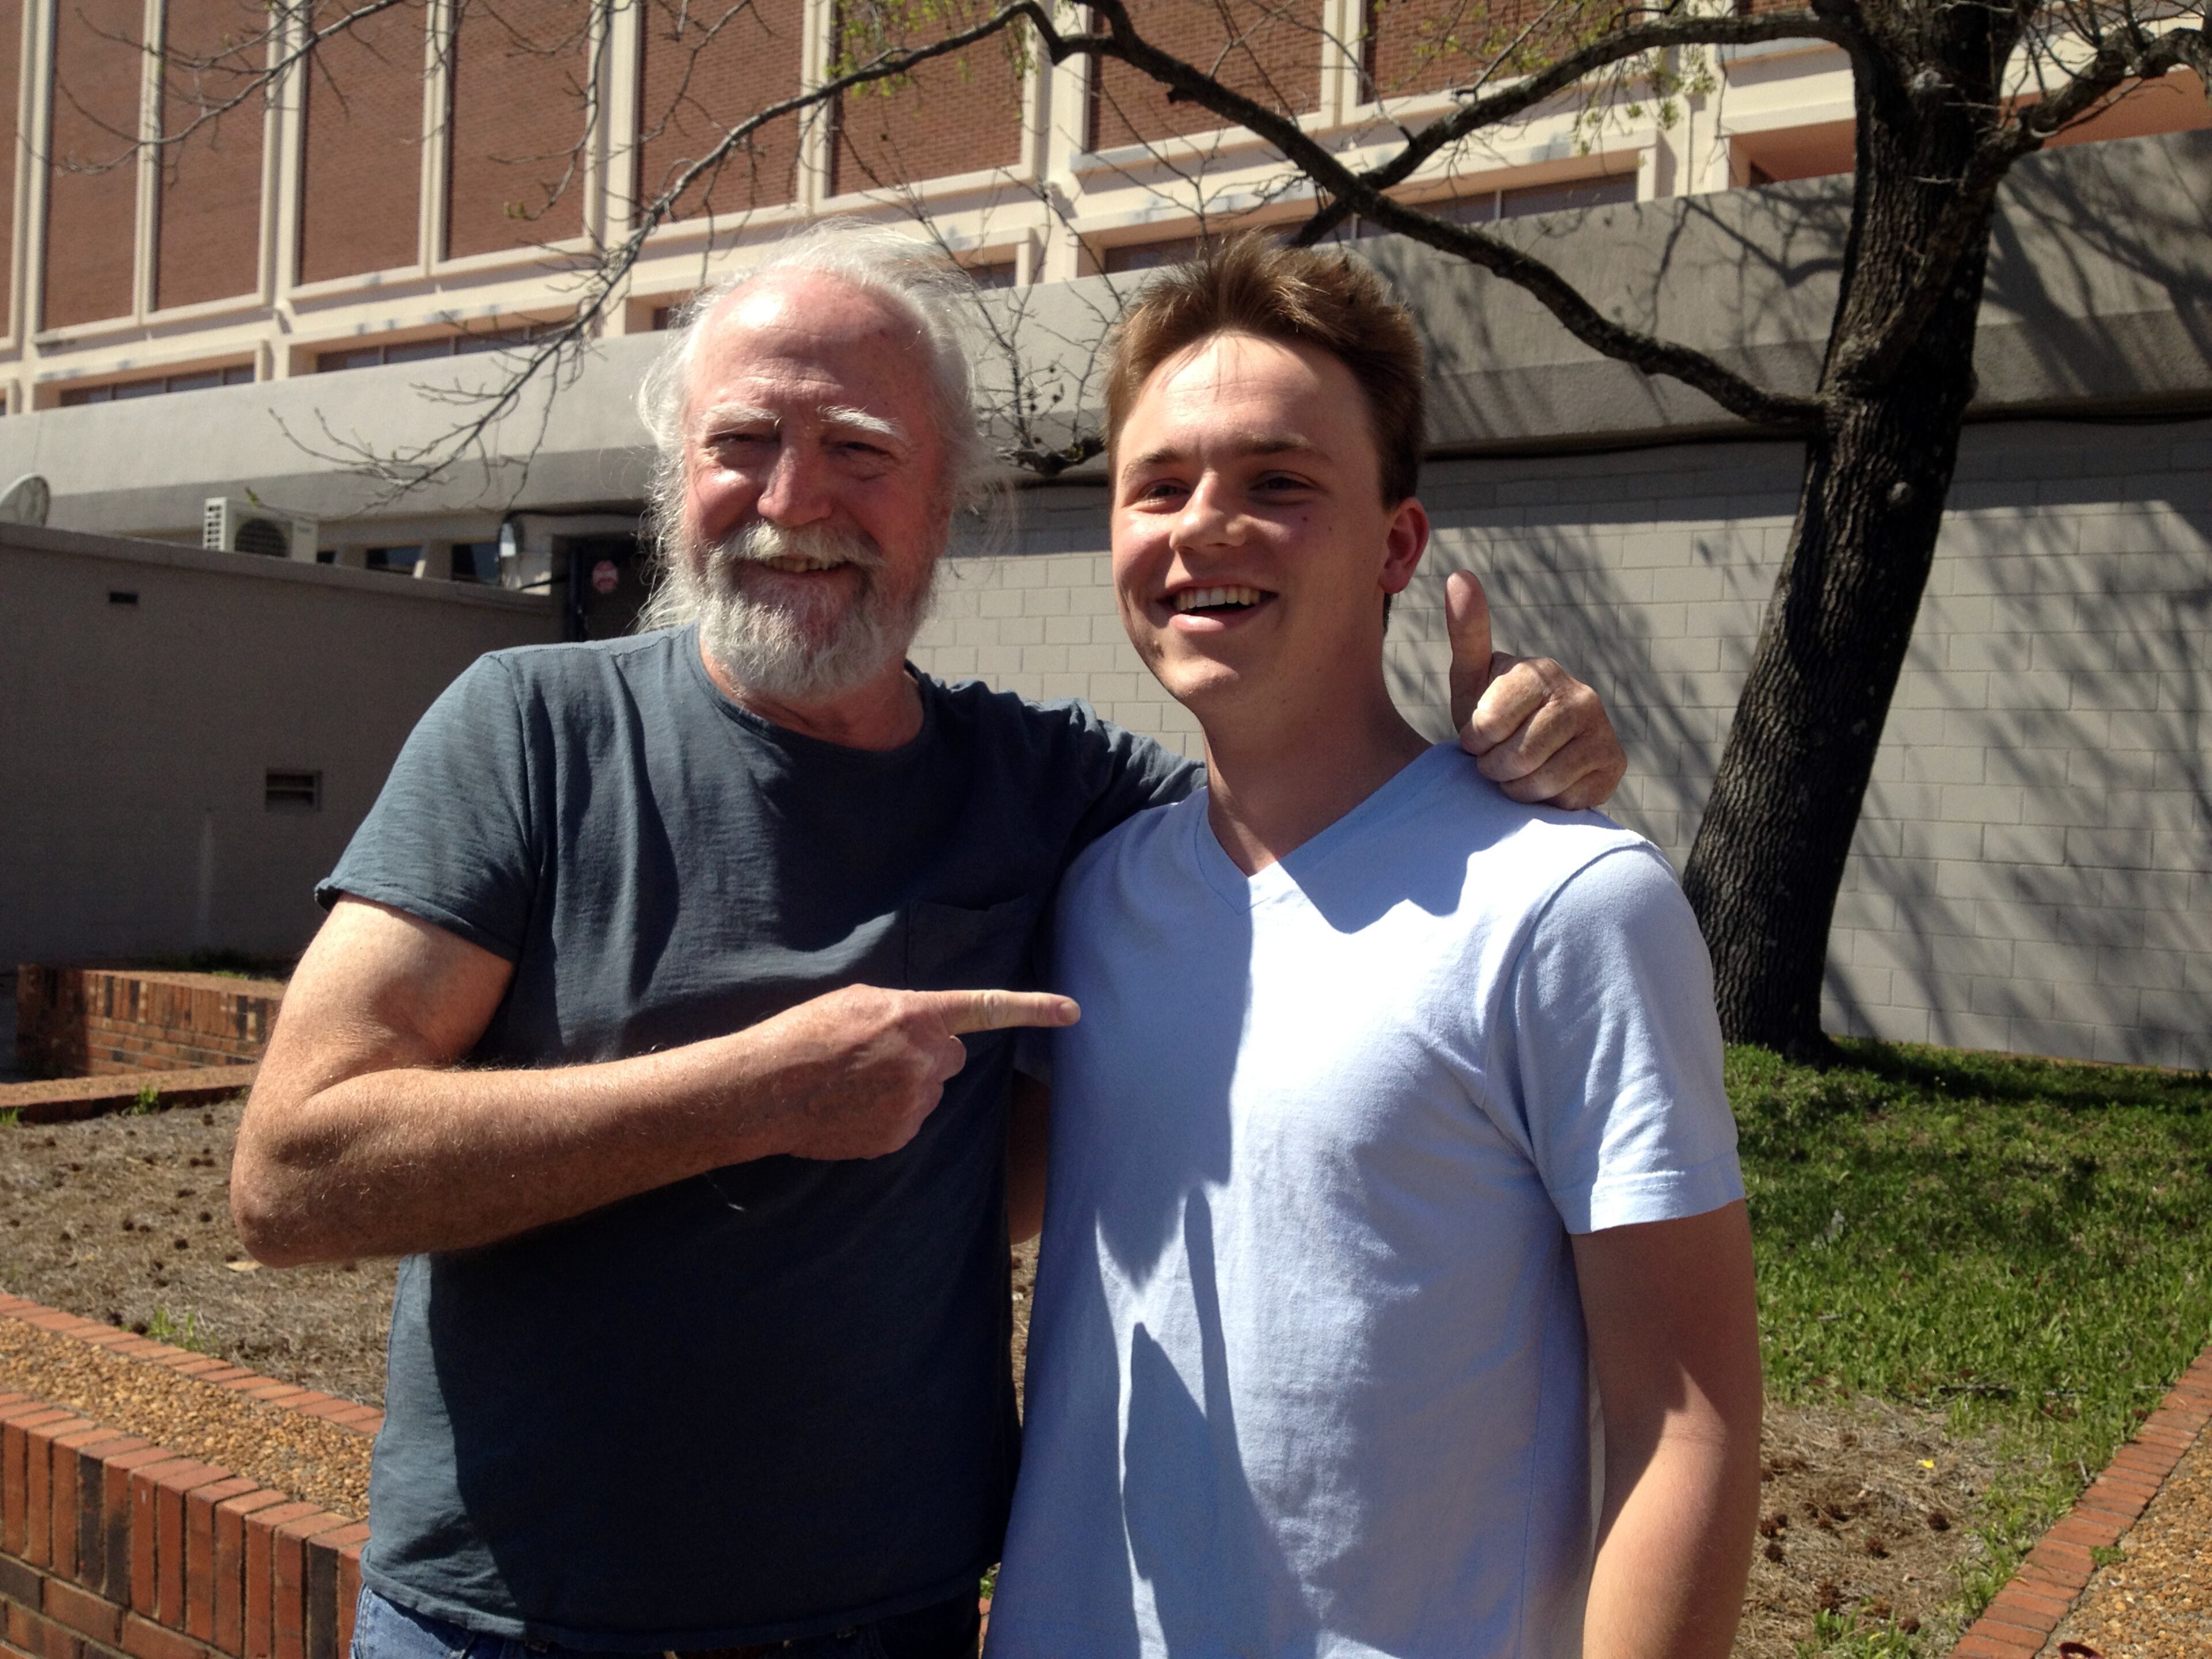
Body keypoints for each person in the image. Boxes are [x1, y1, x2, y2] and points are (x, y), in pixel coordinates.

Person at [230, 225, 1629, 1659]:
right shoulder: (528, 730)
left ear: (951, 500)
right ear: (675, 487)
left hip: (889, 1623)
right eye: (742, 441)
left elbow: (1303, 806)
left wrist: (1521, 740)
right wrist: (746, 1098)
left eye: (858, 448)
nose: (792, 499)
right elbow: (290, 1175)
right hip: (501, 1622)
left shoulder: (1058, 796)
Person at [987, 240, 1762, 1659]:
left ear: (1398, 545)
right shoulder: (1091, 900)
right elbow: (976, 1212)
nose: (1202, 527)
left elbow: (1688, 1423)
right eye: (1157, 485)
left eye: (1280, 485)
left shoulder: (1569, 904)